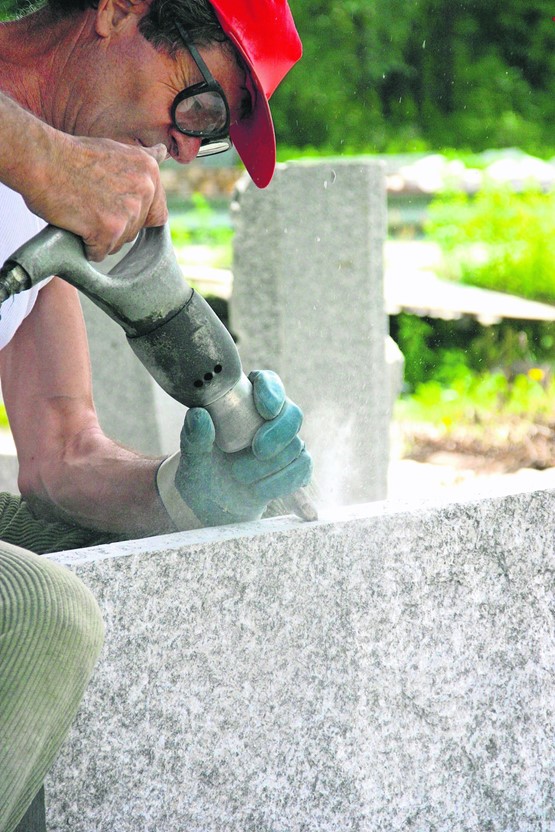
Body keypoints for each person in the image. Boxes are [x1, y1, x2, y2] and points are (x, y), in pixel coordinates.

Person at [0, 0, 311, 829]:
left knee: (119, 565)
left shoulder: (41, 208)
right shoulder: (36, 164)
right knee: (38, 611)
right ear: (119, 9)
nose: (183, 145)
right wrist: (32, 153)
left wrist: (185, 495)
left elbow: (62, 456)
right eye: (201, 103)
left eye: (209, 133)